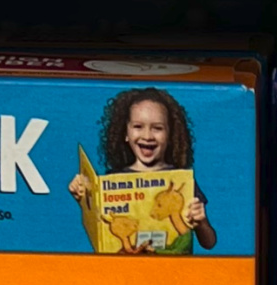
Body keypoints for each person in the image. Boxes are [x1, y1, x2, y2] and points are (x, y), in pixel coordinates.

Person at [68, 87, 216, 252]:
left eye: (157, 128)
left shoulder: (182, 181)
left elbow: (209, 242)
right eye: (138, 126)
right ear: (126, 133)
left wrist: (201, 222)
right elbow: (99, 230)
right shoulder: (112, 180)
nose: (147, 136)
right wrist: (83, 198)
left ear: (170, 135)